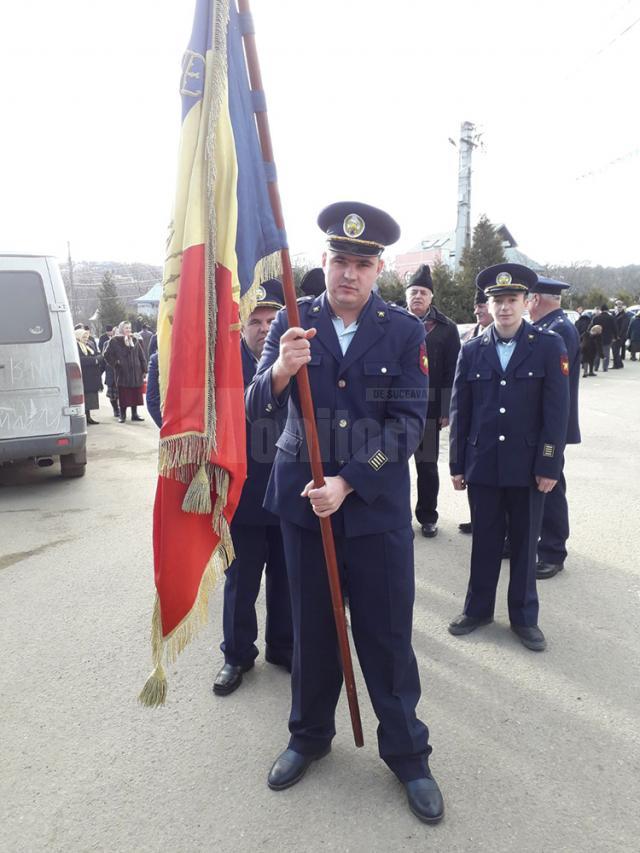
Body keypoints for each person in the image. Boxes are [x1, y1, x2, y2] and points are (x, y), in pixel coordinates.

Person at [246, 202, 443, 824]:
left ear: (379, 268)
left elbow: (407, 427)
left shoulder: (405, 331)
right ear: (323, 263)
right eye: (339, 260)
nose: (348, 273)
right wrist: (281, 368)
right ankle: (308, 736)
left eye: (362, 262)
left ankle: (408, 753)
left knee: (386, 637)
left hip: (374, 513)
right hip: (305, 512)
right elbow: (254, 408)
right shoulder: (295, 327)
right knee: (312, 631)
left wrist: (351, 481)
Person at [448, 263, 569, 652]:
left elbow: (556, 412)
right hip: (483, 464)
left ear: (527, 302)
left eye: (511, 300)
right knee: (484, 541)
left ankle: (524, 617)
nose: (503, 308)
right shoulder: (471, 350)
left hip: (528, 467)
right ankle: (478, 609)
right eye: (497, 300)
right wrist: (456, 464)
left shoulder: (548, 345)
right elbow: (460, 411)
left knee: (522, 543)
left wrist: (549, 463)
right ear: (488, 303)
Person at [212, 280, 293, 695]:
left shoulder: (294, 360)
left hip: (286, 489)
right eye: (255, 320)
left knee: (285, 576)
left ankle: (282, 646)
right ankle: (237, 655)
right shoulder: (224, 365)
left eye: (271, 319)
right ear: (241, 326)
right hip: (241, 493)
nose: (264, 328)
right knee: (241, 580)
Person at [527, 277, 581, 579]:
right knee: (537, 484)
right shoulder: (552, 326)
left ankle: (553, 550)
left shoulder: (558, 330)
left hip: (549, 426)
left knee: (551, 484)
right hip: (537, 424)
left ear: (535, 300)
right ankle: (532, 541)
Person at [405, 264, 460, 537]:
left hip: (427, 412)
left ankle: (427, 516)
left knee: (426, 466)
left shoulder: (445, 328)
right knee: (390, 465)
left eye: (423, 293)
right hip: (394, 410)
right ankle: (397, 516)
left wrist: (445, 408)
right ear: (406, 295)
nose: (418, 296)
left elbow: (453, 371)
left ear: (431, 298)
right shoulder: (389, 322)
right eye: (413, 291)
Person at [459, 289, 492, 534]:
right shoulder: (472, 337)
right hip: (475, 427)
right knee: (476, 479)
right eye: (477, 306)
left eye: (482, 305)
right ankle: (477, 517)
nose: (478, 310)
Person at [103, 321, 147, 422]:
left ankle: (134, 414)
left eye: (129, 328)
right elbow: (106, 355)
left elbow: (141, 355)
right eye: (126, 328)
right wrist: (116, 363)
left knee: (135, 394)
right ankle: (122, 415)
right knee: (124, 395)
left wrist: (144, 369)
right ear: (122, 329)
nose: (128, 330)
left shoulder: (135, 340)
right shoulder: (115, 340)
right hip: (123, 372)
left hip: (136, 372)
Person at [75, 329, 104, 425]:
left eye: (87, 337)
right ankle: (84, 418)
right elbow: (79, 359)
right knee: (84, 396)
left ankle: (88, 417)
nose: (86, 339)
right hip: (84, 375)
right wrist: (94, 360)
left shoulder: (89, 345)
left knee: (90, 397)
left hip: (92, 375)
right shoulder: (76, 346)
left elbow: (96, 354)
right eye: (83, 337)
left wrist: (99, 357)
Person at [590, 305, 616, 372]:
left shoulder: (596, 318)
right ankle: (605, 367)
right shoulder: (611, 318)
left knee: (597, 353)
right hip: (607, 338)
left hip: (597, 337)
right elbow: (614, 328)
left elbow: (591, 328)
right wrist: (615, 336)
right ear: (607, 310)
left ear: (601, 310)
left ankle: (596, 367)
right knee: (606, 353)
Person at [612, 302, 631, 368]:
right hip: (616, 335)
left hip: (620, 336)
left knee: (615, 350)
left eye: (620, 307)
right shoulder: (615, 314)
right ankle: (619, 364)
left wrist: (618, 336)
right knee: (615, 350)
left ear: (623, 307)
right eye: (618, 306)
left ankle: (616, 365)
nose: (619, 308)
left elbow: (624, 327)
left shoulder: (624, 315)